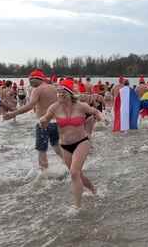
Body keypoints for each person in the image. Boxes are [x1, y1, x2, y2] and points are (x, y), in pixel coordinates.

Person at [39, 79, 105, 208]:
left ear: (70, 93)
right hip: (65, 145)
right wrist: (42, 121)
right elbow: (46, 119)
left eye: (63, 92)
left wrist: (102, 119)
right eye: (58, 93)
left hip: (82, 142)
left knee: (74, 172)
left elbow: (95, 111)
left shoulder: (80, 106)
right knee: (78, 174)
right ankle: (93, 190)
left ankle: (77, 207)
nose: (60, 95)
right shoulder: (54, 107)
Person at [4, 70, 63, 171]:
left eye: (30, 79)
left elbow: (30, 106)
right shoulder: (54, 88)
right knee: (56, 145)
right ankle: (70, 164)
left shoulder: (37, 90)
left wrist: (13, 113)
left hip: (43, 124)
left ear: (36, 79)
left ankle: (44, 176)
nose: (29, 82)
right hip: (56, 123)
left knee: (41, 150)